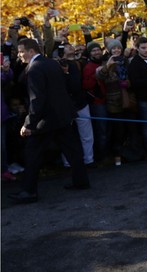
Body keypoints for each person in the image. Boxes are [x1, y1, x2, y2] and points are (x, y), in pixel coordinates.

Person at [8, 38, 90, 204]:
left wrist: (28, 124)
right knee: (73, 150)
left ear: (31, 51)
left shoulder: (35, 68)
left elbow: (37, 99)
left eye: (22, 51)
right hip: (62, 116)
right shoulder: (51, 63)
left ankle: (29, 191)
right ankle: (81, 181)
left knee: (32, 154)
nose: (20, 55)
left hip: (46, 120)